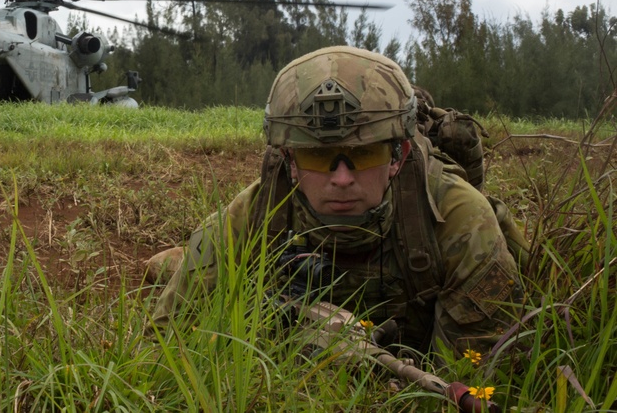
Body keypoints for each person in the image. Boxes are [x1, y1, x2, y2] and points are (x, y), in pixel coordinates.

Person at [147, 45, 526, 359]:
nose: (341, 179)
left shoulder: (461, 222)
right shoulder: (257, 214)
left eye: (362, 157)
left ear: (398, 155)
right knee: (185, 267)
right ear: (291, 163)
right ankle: (177, 261)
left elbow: (474, 371)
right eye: (316, 158)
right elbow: (164, 343)